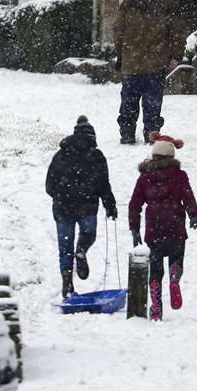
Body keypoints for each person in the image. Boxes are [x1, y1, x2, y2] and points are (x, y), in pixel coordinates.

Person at [128, 132, 197, 321]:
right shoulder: (180, 175)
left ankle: (156, 309)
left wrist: (134, 229)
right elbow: (188, 196)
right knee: (176, 258)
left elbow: (135, 204)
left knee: (156, 269)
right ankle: (175, 277)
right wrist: (194, 215)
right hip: (175, 225)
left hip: (154, 228)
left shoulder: (145, 177)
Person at [45, 115, 118, 297]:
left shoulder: (61, 155)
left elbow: (49, 185)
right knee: (88, 234)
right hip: (87, 206)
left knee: (65, 247)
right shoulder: (96, 156)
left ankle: (67, 281)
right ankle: (82, 250)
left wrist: (61, 195)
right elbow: (103, 184)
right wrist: (110, 205)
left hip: (63, 207)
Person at [114, 0, 187, 145]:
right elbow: (177, 33)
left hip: (131, 62)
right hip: (156, 62)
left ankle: (127, 132)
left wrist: (122, 53)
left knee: (129, 99)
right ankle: (151, 132)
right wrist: (175, 56)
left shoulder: (130, 3)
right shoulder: (169, 4)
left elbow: (118, 31)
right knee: (152, 101)